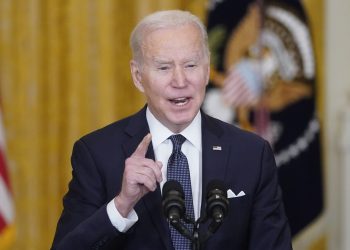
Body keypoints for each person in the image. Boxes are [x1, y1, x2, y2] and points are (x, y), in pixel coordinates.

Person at [51, 10, 292, 250]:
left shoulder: (251, 153)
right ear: (137, 76)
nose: (180, 81)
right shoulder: (98, 154)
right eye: (164, 68)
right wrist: (121, 205)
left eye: (190, 65)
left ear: (207, 71)